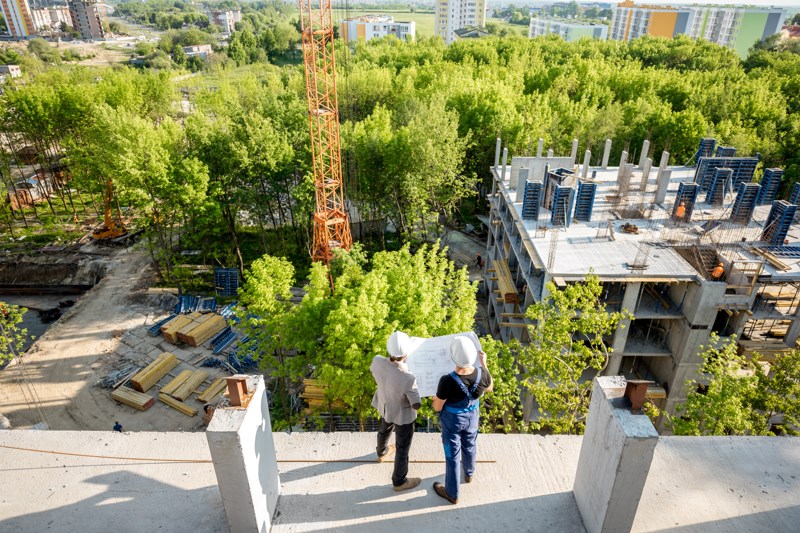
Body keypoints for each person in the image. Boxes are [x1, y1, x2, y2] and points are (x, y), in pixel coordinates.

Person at [432, 336, 493, 504]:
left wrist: (434, 399)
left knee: (452, 454)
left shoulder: (446, 381)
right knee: (471, 444)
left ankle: (452, 493)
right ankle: (469, 473)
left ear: (453, 356)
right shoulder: (483, 374)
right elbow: (489, 387)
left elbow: (437, 407)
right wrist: (484, 364)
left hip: (452, 422)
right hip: (472, 418)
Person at [370, 331, 422, 492]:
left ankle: (381, 452)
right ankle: (399, 481)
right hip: (402, 415)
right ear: (406, 354)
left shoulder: (377, 361)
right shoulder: (408, 377)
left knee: (384, 430)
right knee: (402, 447)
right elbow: (416, 405)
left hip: (385, 405)